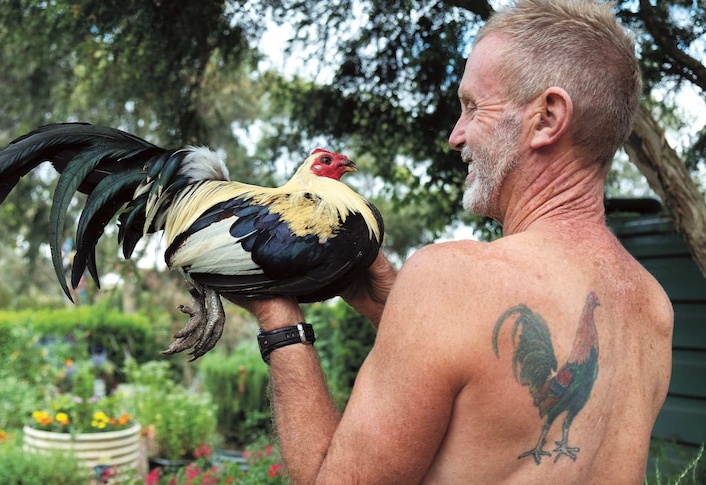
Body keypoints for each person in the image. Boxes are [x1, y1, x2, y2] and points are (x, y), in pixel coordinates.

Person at [244, 0, 674, 483]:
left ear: (548, 117)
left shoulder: (454, 280)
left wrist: (276, 314)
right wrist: (398, 315)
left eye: (473, 106)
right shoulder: (653, 309)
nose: (455, 135)